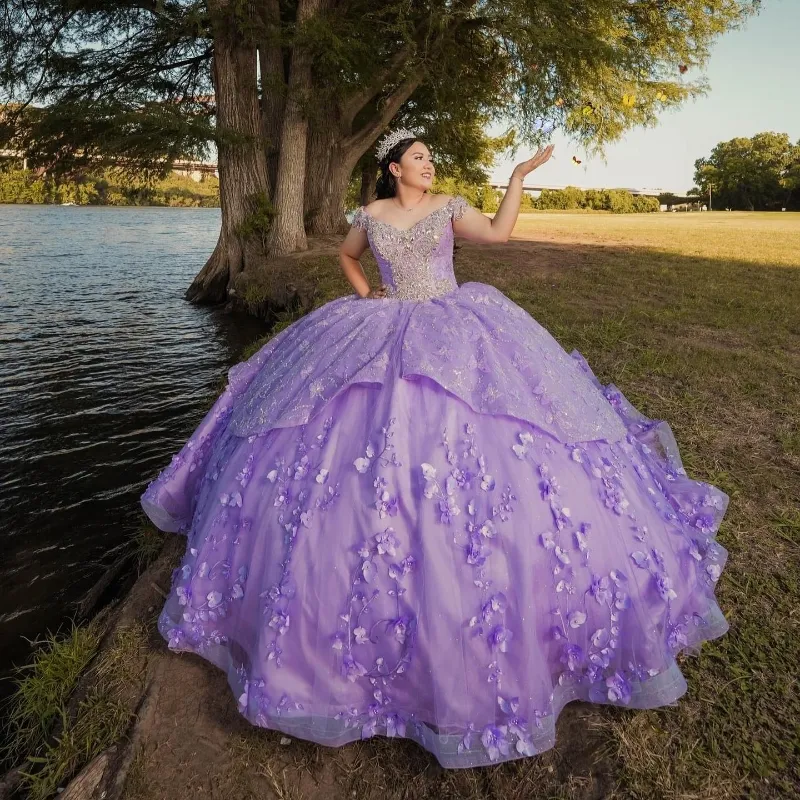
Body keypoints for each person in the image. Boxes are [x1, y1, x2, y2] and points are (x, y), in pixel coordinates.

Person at [140, 128, 730, 769]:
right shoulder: (369, 215)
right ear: (395, 169)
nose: (429, 165)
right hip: (384, 323)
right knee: (339, 425)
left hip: (454, 321)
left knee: (484, 427)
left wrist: (517, 180)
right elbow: (347, 256)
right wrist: (370, 297)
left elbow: (500, 236)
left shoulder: (450, 206)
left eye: (428, 159)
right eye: (419, 158)